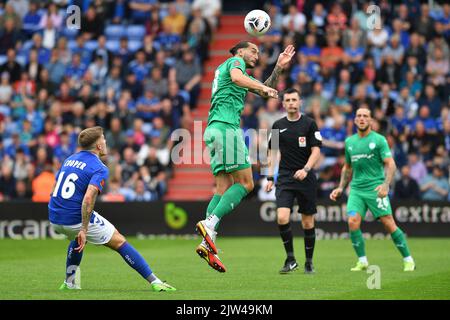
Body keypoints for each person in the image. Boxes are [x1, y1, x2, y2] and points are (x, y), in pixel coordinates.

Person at [196, 41, 295, 272]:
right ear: (240, 51)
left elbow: (264, 88)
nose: (256, 55)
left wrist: (278, 67)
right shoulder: (235, 62)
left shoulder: (232, 70)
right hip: (226, 128)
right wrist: (266, 88)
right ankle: (209, 225)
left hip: (212, 129)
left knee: (222, 189)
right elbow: (240, 79)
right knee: (247, 183)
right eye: (254, 50)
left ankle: (207, 243)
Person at [48, 126, 176, 291]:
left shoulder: (69, 159)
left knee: (77, 239)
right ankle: (155, 282)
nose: (105, 141)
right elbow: (88, 199)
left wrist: (57, 213)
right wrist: (84, 229)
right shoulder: (99, 167)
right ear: (99, 146)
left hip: (54, 218)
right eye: (103, 138)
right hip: (74, 219)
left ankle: (70, 283)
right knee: (119, 241)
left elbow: (54, 189)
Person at [329, 107, 415, 272]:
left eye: (365, 116)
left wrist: (386, 184)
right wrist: (340, 187)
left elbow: (391, 164)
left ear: (371, 121)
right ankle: (362, 261)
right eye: (359, 116)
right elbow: (347, 167)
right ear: (354, 120)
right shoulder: (349, 142)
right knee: (352, 221)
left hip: (375, 188)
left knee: (388, 224)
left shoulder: (379, 140)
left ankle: (408, 259)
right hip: (356, 190)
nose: (362, 119)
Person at [265, 88, 322, 274]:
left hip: (306, 178)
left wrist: (306, 169)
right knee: (282, 217)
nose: (291, 103)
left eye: (294, 100)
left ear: (300, 102)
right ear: (283, 104)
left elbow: (316, 151)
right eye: (287, 100)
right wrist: (269, 176)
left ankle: (309, 262)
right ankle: (290, 259)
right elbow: (272, 152)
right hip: (285, 177)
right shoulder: (276, 125)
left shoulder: (310, 124)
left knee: (307, 222)